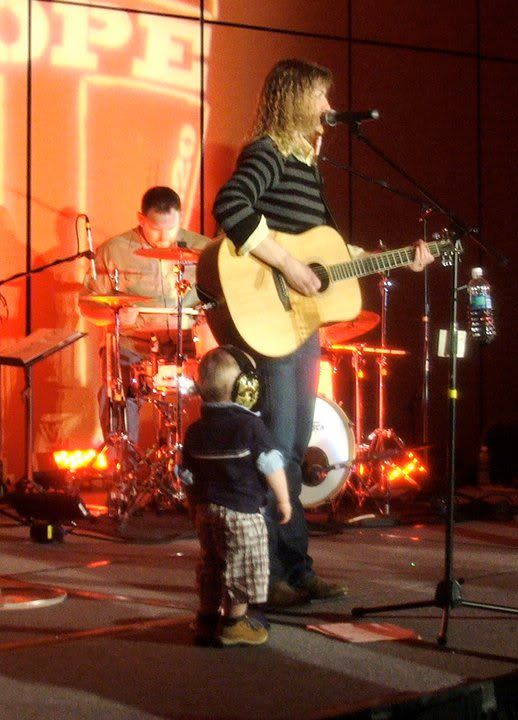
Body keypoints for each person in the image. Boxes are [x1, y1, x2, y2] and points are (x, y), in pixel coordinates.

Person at [212, 58, 434, 608]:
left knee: (291, 450)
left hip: (299, 324)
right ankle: (266, 576)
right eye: (320, 97)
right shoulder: (266, 151)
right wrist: (289, 265)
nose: (330, 109)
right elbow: (230, 207)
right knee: (277, 448)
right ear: (294, 98)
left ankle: (295, 569)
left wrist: (401, 257)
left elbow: (325, 252)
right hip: (269, 319)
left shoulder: (307, 166)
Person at [80, 186, 210, 443]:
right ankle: (123, 458)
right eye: (156, 229)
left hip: (189, 344)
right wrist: (115, 317)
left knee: (224, 379)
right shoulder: (115, 250)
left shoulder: (203, 249)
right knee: (115, 391)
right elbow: (87, 303)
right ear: (141, 219)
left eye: (171, 228)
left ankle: (206, 456)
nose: (164, 237)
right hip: (135, 344)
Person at [181, 346, 291, 646]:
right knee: (243, 567)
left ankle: (206, 620)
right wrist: (283, 500)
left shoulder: (194, 430)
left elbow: (187, 476)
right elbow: (270, 464)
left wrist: (193, 506)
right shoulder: (250, 426)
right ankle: (233, 624)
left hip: (206, 511)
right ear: (245, 388)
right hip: (242, 512)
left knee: (212, 565)